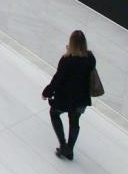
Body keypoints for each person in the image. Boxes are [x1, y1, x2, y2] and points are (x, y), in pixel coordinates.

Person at [41, 29, 97, 161]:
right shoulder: (90, 58)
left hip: (64, 98)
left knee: (54, 114)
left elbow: (57, 78)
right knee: (75, 121)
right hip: (81, 99)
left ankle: (63, 144)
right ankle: (69, 149)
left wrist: (46, 92)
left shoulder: (67, 60)